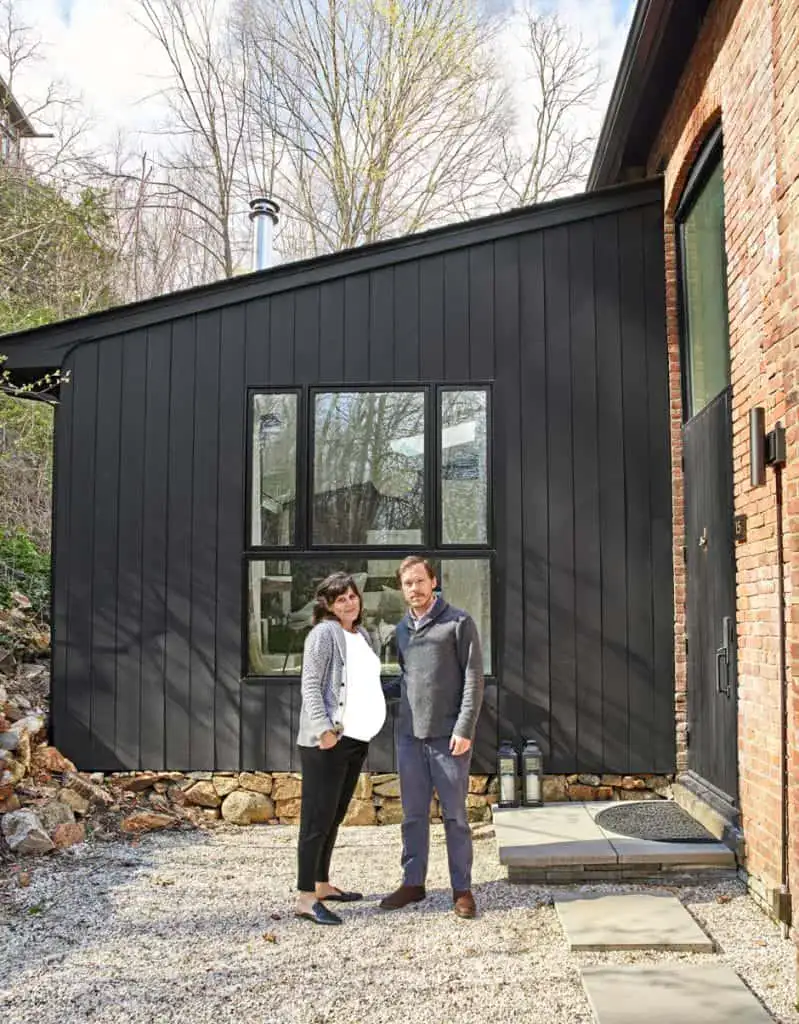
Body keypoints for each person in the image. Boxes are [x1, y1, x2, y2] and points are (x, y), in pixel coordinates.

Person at [380, 556, 485, 919]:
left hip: (448, 738)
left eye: (420, 581)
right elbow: (406, 679)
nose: (415, 589)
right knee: (412, 816)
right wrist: (367, 692)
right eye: (408, 583)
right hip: (410, 737)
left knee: (455, 817)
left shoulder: (458, 623)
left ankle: (462, 889)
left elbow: (474, 679)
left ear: (433, 581)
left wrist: (464, 728)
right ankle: (413, 883)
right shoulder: (402, 630)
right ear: (402, 588)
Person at [295, 572, 386, 925]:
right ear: (329, 605)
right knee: (316, 820)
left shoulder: (361, 635)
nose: (349, 603)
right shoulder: (324, 634)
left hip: (356, 740)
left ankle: (321, 884)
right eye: (340, 599)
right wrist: (323, 730)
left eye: (352, 596)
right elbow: (310, 685)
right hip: (328, 742)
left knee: (333, 816)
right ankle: (305, 898)